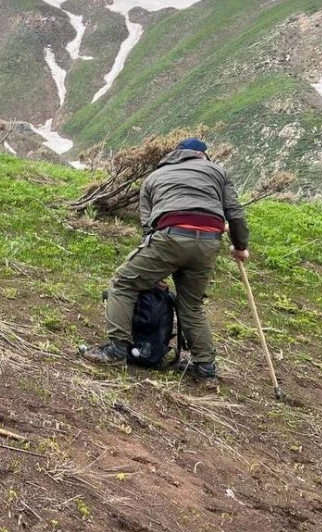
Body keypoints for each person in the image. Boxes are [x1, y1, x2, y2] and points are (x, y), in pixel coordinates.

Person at [78, 138, 250, 388]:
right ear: (203, 156)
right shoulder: (217, 172)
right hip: (209, 242)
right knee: (191, 305)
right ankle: (205, 367)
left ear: (175, 155)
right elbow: (234, 212)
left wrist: (155, 272)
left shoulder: (154, 177)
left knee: (123, 283)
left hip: (169, 237)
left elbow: (148, 228)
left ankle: (116, 350)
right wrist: (241, 246)